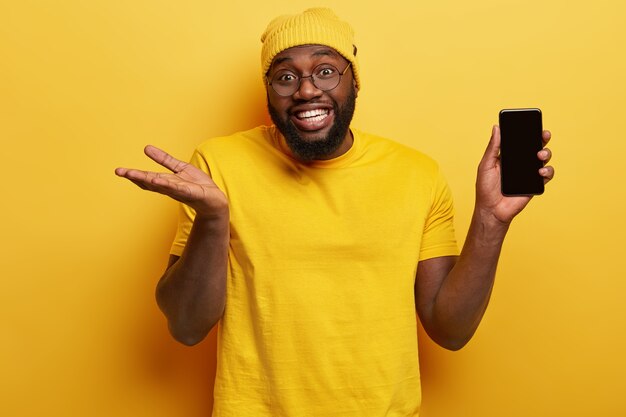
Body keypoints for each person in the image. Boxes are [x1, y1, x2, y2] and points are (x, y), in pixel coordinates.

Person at [115, 7, 554, 417]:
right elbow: (187, 327)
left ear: (354, 80)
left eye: (326, 71)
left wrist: (491, 222)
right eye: (285, 77)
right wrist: (213, 220)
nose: (306, 90)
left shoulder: (416, 174)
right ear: (268, 90)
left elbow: (450, 330)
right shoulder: (218, 166)